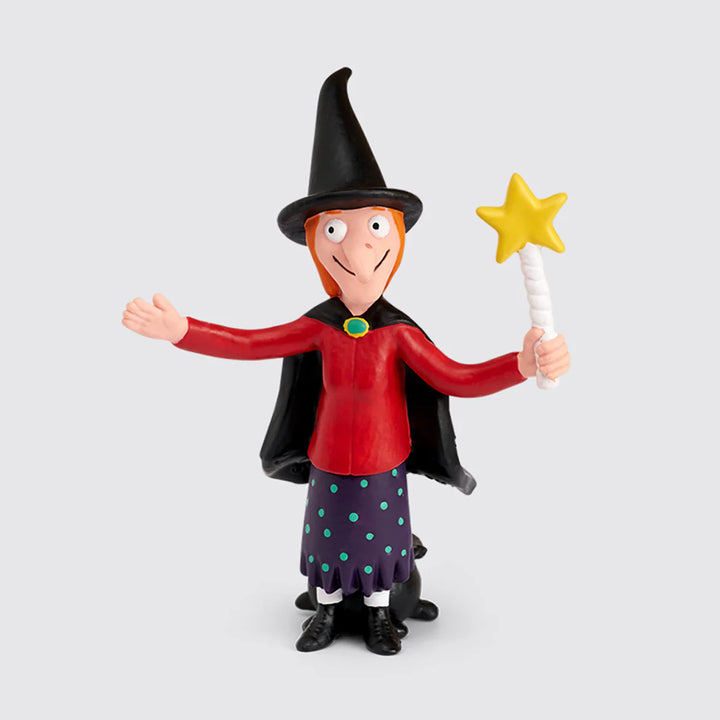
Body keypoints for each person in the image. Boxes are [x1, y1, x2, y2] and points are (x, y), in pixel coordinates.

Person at [122, 68, 570, 655]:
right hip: (328, 459)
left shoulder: (399, 333)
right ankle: (327, 611)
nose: (357, 249)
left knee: (381, 545)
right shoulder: (318, 327)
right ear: (316, 243)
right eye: (336, 230)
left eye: (375, 227)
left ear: (396, 238)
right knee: (330, 546)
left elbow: (455, 378)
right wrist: (182, 331)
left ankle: (381, 614)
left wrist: (522, 363)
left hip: (386, 460)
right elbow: (250, 343)